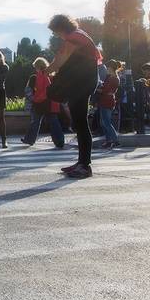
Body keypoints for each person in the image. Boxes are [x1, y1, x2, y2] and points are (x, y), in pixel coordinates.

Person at [45, 15, 102, 179]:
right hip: (83, 83)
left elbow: (61, 58)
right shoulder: (79, 34)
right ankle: (81, 163)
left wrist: (46, 71)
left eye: (56, 32)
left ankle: (85, 166)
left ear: (61, 28)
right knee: (80, 123)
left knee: (81, 124)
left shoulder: (74, 37)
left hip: (81, 85)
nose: (57, 36)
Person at [21, 57, 65, 148]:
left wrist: (34, 99)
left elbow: (30, 90)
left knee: (35, 122)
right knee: (53, 121)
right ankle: (59, 141)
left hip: (39, 102)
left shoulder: (36, 77)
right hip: (50, 102)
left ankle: (29, 139)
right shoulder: (51, 76)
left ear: (37, 66)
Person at [98, 59, 124, 149]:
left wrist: (97, 89)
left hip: (107, 101)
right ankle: (109, 141)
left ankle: (115, 140)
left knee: (107, 123)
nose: (106, 69)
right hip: (105, 100)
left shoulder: (114, 78)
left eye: (107, 67)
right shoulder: (111, 77)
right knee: (103, 122)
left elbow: (106, 90)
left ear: (110, 68)